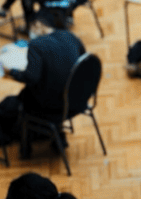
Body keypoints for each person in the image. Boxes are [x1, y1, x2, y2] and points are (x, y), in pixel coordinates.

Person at [6, 16, 85, 146]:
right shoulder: (70, 35)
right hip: (79, 99)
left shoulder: (36, 45)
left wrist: (11, 72)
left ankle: (27, 147)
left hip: (56, 107)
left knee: (25, 98)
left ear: (38, 25)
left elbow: (31, 78)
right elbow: (83, 60)